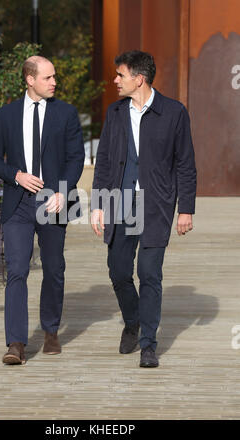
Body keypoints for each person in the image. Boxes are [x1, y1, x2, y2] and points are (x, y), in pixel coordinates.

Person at [91, 50, 196, 368]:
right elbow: (106, 161)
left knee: (149, 274)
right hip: (119, 203)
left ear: (139, 78)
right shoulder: (116, 112)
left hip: (155, 205)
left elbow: (185, 165)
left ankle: (149, 344)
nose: (115, 80)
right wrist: (98, 205)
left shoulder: (173, 112)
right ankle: (133, 321)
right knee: (119, 271)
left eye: (120, 75)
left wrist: (186, 209)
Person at [0, 56, 85, 365]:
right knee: (17, 270)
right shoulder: (6, 115)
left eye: (55, 77)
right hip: (19, 202)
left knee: (54, 269)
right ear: (30, 80)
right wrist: (15, 174)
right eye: (48, 77)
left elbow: (76, 157)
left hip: (55, 200)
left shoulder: (66, 113)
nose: (54, 82)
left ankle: (51, 331)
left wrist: (63, 191)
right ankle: (16, 342)